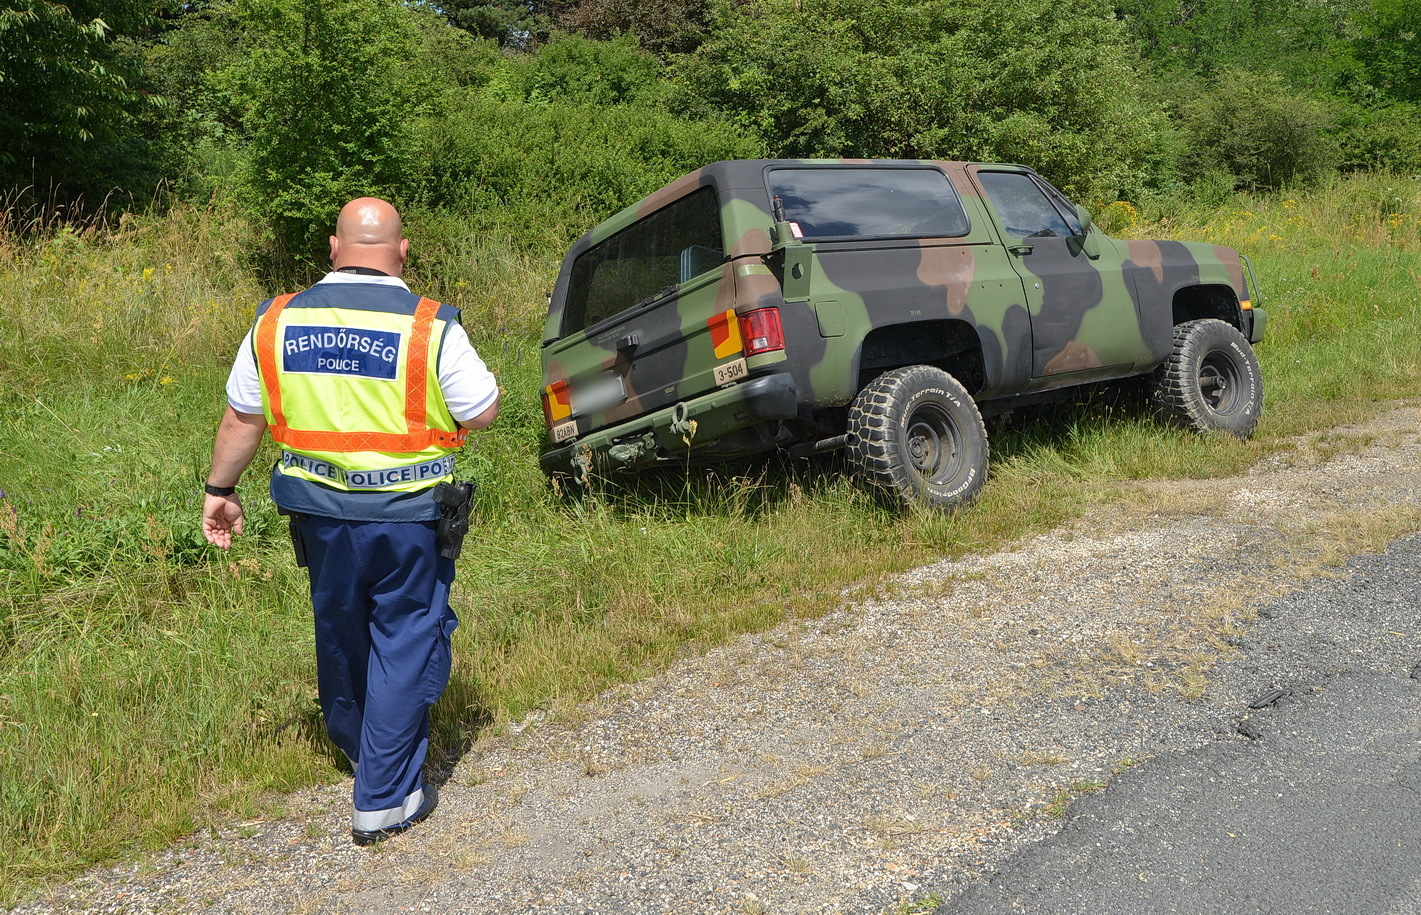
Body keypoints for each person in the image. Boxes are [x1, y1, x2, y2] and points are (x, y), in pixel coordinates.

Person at [201, 197, 500, 846]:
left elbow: (240, 419)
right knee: (404, 635)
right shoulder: (430, 326)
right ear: (402, 251)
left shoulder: (276, 320)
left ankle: (361, 749)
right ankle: (384, 796)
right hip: (408, 517)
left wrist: (219, 489)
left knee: (339, 625)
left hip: (319, 515)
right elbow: (480, 409)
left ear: (334, 248)